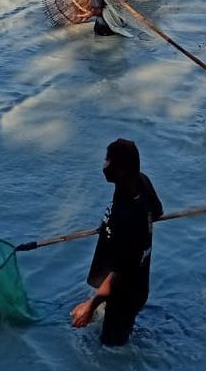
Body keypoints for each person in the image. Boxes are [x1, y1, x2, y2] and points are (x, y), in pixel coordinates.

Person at [71, 139, 162, 347]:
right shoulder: (139, 182)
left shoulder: (127, 215)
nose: (104, 165)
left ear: (120, 170)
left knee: (110, 349)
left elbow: (121, 274)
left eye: (107, 160)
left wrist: (90, 305)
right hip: (137, 285)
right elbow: (157, 212)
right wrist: (111, 229)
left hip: (124, 293)